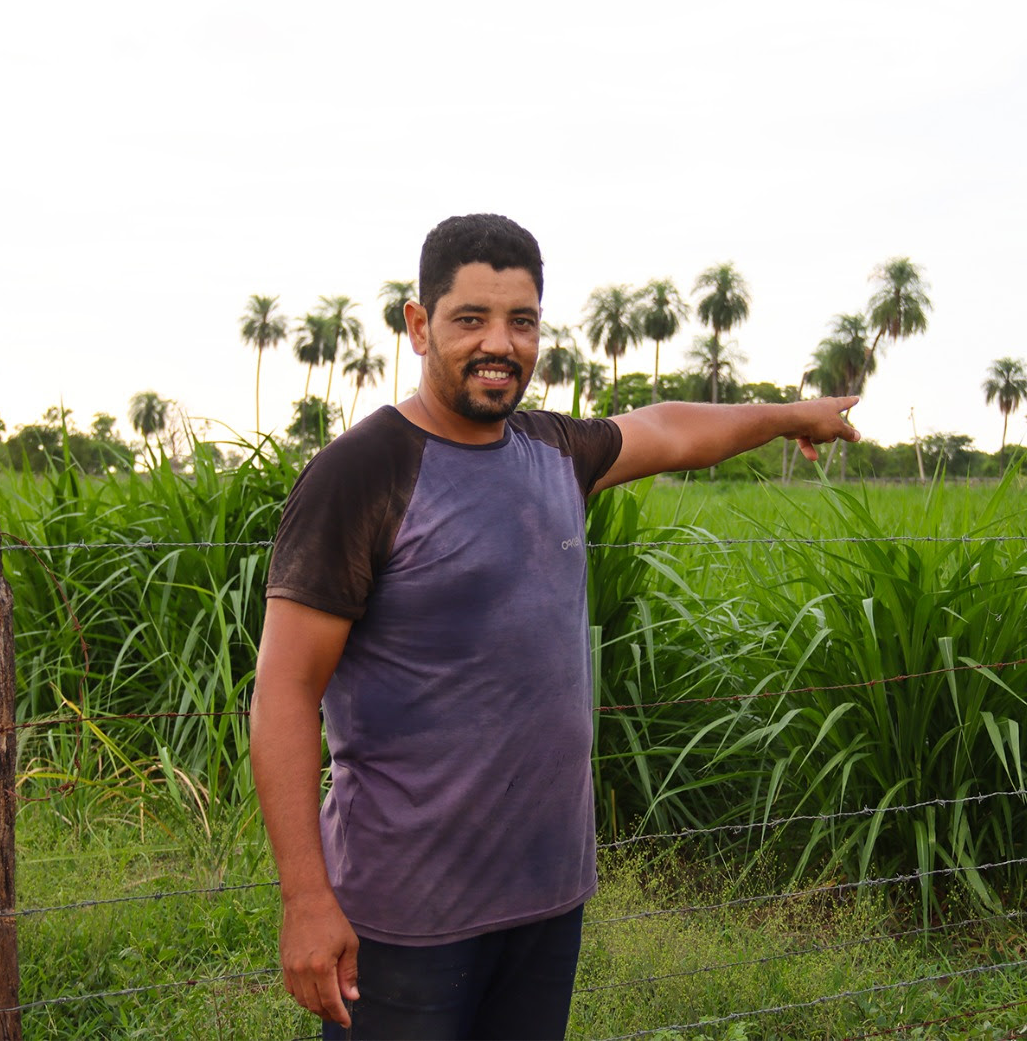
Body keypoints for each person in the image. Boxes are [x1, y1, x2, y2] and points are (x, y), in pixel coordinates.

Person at [249, 213, 860, 1040]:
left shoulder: (554, 451)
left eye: (522, 321)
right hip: (405, 917)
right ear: (419, 326)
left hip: (544, 901)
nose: (500, 343)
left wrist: (793, 416)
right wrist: (306, 899)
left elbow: (672, 428)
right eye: (471, 319)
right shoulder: (365, 472)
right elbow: (284, 692)